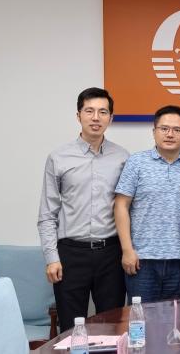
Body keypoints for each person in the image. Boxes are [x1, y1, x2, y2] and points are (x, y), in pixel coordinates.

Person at [37, 87, 128, 331]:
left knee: (112, 327)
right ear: (79, 116)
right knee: (71, 329)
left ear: (111, 118)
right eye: (89, 111)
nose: (96, 117)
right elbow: (47, 214)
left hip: (111, 254)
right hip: (71, 254)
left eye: (103, 112)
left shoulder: (122, 158)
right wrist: (52, 258)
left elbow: (128, 210)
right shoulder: (58, 157)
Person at [114, 105, 180, 303]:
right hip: (141, 261)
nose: (170, 134)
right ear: (154, 131)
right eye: (164, 128)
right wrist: (127, 250)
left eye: (177, 130)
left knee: (176, 319)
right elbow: (121, 206)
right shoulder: (136, 162)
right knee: (141, 319)